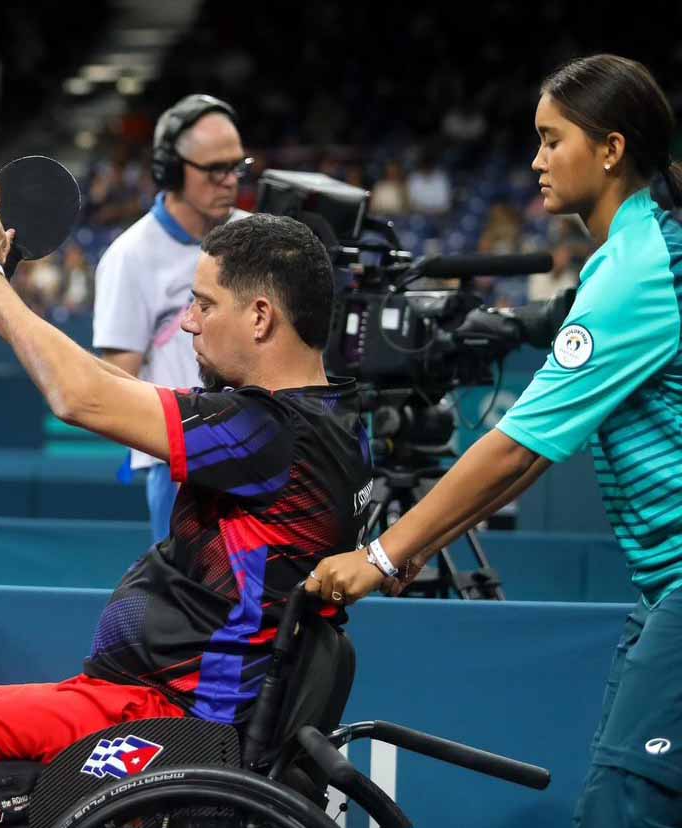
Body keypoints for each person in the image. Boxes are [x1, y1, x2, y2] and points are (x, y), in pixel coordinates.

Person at [0, 180, 373, 828]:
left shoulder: (269, 433)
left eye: (203, 304)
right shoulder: (326, 419)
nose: (189, 323)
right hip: (151, 703)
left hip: (173, 721)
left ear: (261, 317)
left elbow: (79, 398)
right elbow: (110, 383)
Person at [306, 54, 682, 827]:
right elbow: (530, 458)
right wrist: (419, 542)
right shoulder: (639, 249)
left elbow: (515, 448)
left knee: (620, 809)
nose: (536, 160)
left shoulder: (638, 269)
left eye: (552, 139)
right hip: (661, 588)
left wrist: (381, 556)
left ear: (611, 150)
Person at [93, 93, 253, 543]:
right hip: (182, 468)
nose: (230, 181)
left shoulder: (255, 238)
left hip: (263, 448)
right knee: (189, 585)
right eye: (215, 169)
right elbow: (117, 385)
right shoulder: (130, 257)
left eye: (237, 166)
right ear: (171, 170)